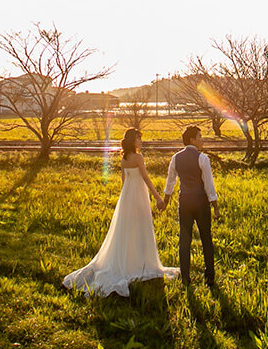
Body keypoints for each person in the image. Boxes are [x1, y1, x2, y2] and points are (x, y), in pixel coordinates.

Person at [63, 128, 179, 297]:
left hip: (127, 195)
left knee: (126, 228)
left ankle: (131, 260)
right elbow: (146, 178)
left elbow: (124, 180)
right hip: (138, 194)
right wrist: (157, 198)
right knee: (140, 227)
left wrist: (126, 195)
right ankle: (139, 262)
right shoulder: (138, 157)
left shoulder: (124, 159)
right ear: (133, 141)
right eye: (138, 139)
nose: (141, 141)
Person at [161, 125, 219, 287]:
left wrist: (166, 201)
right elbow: (209, 185)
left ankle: (185, 277)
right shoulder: (203, 158)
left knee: (184, 240)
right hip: (201, 203)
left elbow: (170, 182)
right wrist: (215, 206)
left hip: (185, 202)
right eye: (200, 136)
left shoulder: (176, 158)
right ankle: (210, 277)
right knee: (206, 239)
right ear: (192, 140)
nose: (202, 140)